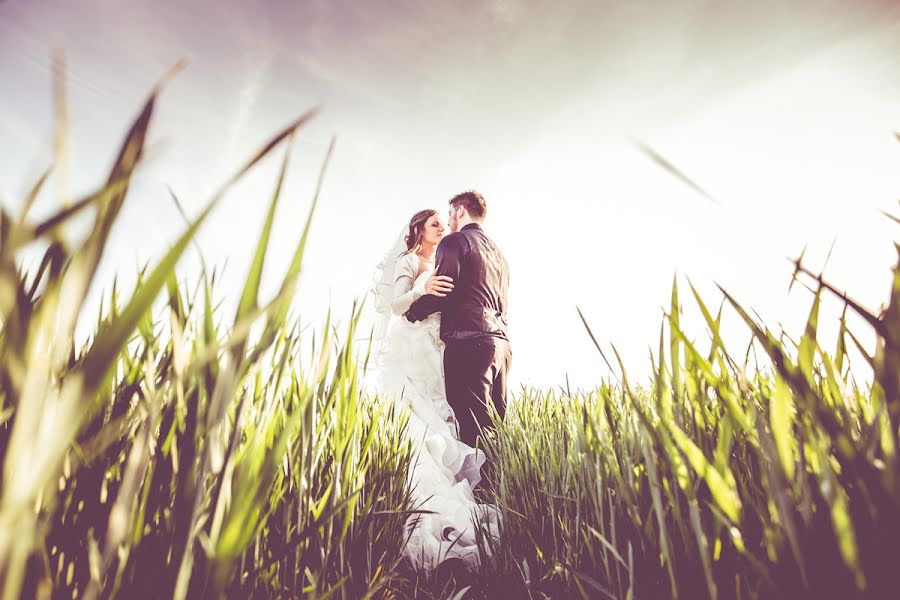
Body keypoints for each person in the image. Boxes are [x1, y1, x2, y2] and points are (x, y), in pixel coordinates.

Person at [371, 206, 499, 574]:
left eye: (444, 223)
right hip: (414, 350)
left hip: (439, 350)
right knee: (421, 425)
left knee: (445, 422)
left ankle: (453, 512)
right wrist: (421, 288)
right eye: (435, 224)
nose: (442, 228)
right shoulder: (409, 262)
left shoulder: (445, 259)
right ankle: (422, 515)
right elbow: (396, 306)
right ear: (418, 229)